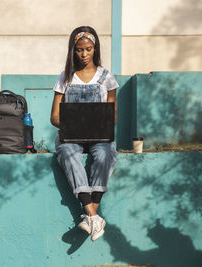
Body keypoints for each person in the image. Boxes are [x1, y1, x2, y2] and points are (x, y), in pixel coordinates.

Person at [50, 26, 118, 242]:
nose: (84, 54)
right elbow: (54, 117)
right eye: (80, 50)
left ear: (95, 49)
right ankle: (94, 216)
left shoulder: (107, 77)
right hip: (72, 136)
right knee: (68, 153)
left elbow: (113, 115)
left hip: (99, 135)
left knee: (105, 154)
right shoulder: (65, 77)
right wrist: (73, 122)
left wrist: (96, 122)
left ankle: (90, 216)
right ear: (73, 50)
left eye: (88, 49)